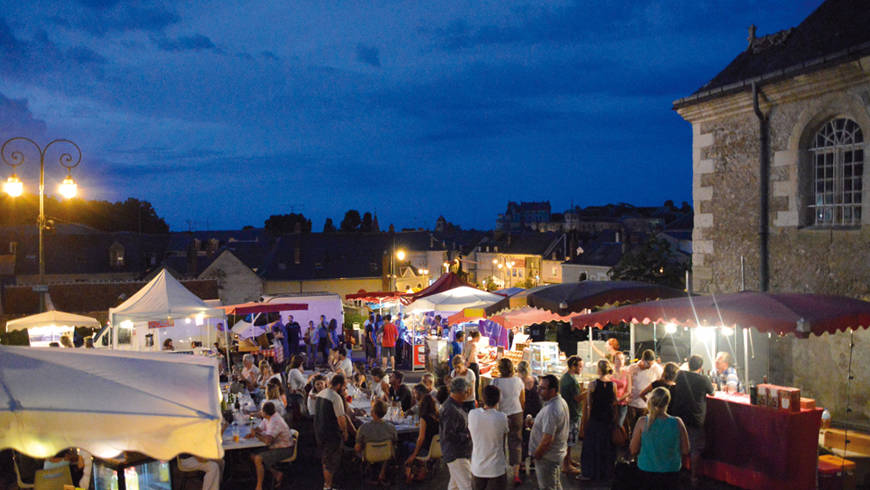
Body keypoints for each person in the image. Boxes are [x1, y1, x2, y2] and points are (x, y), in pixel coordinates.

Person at [629, 387, 690, 489]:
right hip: (671, 471)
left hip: (646, 469)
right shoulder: (677, 422)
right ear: (668, 402)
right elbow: (685, 450)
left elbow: (633, 450)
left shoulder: (642, 422)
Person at [669, 354, 714, 486]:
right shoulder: (703, 379)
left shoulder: (681, 375)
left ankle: (678, 471)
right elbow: (712, 393)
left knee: (678, 444)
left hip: (679, 416)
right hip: (695, 417)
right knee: (695, 448)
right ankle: (693, 477)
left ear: (689, 364)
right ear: (701, 367)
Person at [529, 374, 570, 490]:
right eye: (538, 387)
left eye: (542, 388)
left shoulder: (552, 409)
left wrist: (537, 455)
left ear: (553, 390)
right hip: (554, 455)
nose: (538, 391)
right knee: (555, 484)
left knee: (548, 486)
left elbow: (547, 439)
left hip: (547, 458)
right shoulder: (558, 402)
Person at [580, 359, 617, 481]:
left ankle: (591, 471)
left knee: (592, 445)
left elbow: (589, 404)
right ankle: (606, 471)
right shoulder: (613, 385)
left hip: (596, 417)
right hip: (608, 418)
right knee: (606, 445)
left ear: (599, 369)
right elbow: (614, 402)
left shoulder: (593, 385)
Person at [491, 357, 525, 484]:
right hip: (516, 413)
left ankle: (501, 471)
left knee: (499, 443)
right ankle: (516, 475)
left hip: (500, 415)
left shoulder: (495, 382)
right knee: (516, 443)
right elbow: (522, 399)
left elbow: (492, 401)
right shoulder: (518, 381)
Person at [468, 384, 509, 490]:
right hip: (496, 468)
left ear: (483, 398)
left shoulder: (472, 414)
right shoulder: (502, 418)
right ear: (498, 399)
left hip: (478, 467)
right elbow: (503, 438)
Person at [247, 401, 294, 490]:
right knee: (252, 455)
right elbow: (260, 429)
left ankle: (259, 486)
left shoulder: (275, 421)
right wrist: (253, 430)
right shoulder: (267, 418)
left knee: (258, 458)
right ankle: (276, 473)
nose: (260, 412)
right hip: (276, 445)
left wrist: (256, 435)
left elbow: (268, 441)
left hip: (285, 449)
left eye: (261, 411)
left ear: (265, 412)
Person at [314, 374, 349, 490]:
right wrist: (345, 432)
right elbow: (341, 419)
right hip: (331, 434)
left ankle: (327, 484)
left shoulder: (321, 393)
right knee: (330, 461)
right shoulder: (335, 397)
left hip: (319, 431)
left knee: (325, 459)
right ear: (338, 385)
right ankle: (328, 485)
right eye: (343, 386)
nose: (344, 389)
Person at [440, 377, 473, 490]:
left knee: (454, 486)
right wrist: (467, 436)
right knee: (468, 485)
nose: (468, 394)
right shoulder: (450, 409)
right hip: (457, 453)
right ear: (460, 392)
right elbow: (448, 434)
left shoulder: (454, 406)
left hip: (457, 452)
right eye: (467, 392)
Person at [355, 399, 398, 484]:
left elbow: (357, 448)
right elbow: (395, 443)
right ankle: (382, 471)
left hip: (368, 456)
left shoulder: (364, 428)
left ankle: (371, 470)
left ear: (372, 412)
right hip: (386, 455)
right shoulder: (391, 428)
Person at [405, 383, 440, 483]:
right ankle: (420, 468)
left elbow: (421, 438)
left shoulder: (424, 418)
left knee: (405, 444)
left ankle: (410, 472)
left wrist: (414, 454)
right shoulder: (437, 416)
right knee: (411, 441)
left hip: (426, 449)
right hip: (436, 446)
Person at [627, 349, 663, 435]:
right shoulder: (633, 368)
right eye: (648, 364)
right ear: (643, 360)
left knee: (646, 430)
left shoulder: (657, 369)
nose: (650, 366)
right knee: (633, 429)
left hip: (647, 405)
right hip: (632, 403)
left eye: (651, 364)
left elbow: (660, 383)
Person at [559, 355, 584, 476]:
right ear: (573, 366)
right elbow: (577, 398)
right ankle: (566, 465)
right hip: (572, 413)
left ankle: (568, 460)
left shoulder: (566, 377)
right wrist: (588, 391)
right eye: (579, 366)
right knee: (570, 439)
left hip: (568, 411)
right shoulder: (572, 381)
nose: (581, 369)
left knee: (569, 439)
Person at [611, 351, 632, 428]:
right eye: (617, 359)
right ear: (613, 361)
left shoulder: (627, 374)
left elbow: (629, 391)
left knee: (619, 425)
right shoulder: (610, 373)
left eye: (622, 359)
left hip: (622, 404)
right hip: (610, 403)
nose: (620, 361)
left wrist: (618, 400)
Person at [464, 330, 481, 396]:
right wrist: (468, 362)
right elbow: (472, 355)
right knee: (475, 383)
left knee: (469, 382)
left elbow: (464, 353)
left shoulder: (467, 343)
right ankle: (475, 398)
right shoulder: (474, 344)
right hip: (473, 364)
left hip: (467, 363)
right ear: (477, 337)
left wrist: (465, 362)